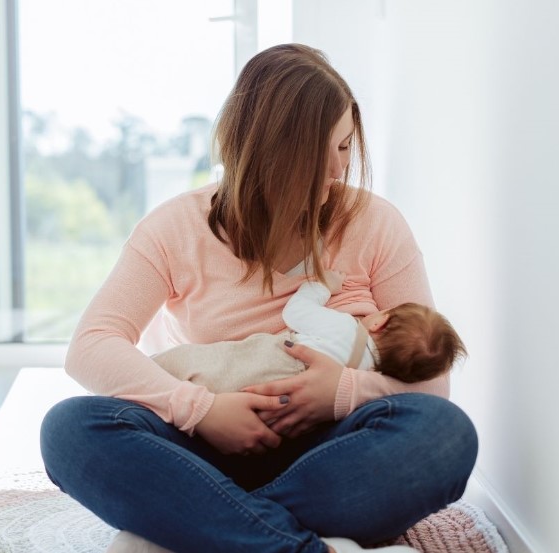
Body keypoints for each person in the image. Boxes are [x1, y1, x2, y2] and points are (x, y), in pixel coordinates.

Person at [40, 43, 478, 553]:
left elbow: (432, 385)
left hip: (328, 452)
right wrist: (202, 411)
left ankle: (196, 525)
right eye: (325, 153)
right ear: (271, 153)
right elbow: (91, 345)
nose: (339, 171)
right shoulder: (173, 227)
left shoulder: (375, 224)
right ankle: (287, 542)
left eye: (345, 148)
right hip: (196, 450)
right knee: (70, 429)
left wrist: (341, 391)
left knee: (445, 435)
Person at [152, 276, 467, 393]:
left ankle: (150, 371)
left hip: (267, 362)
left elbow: (296, 312)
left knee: (194, 363)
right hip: (280, 403)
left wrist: (320, 286)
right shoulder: (367, 375)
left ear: (377, 323)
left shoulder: (345, 327)